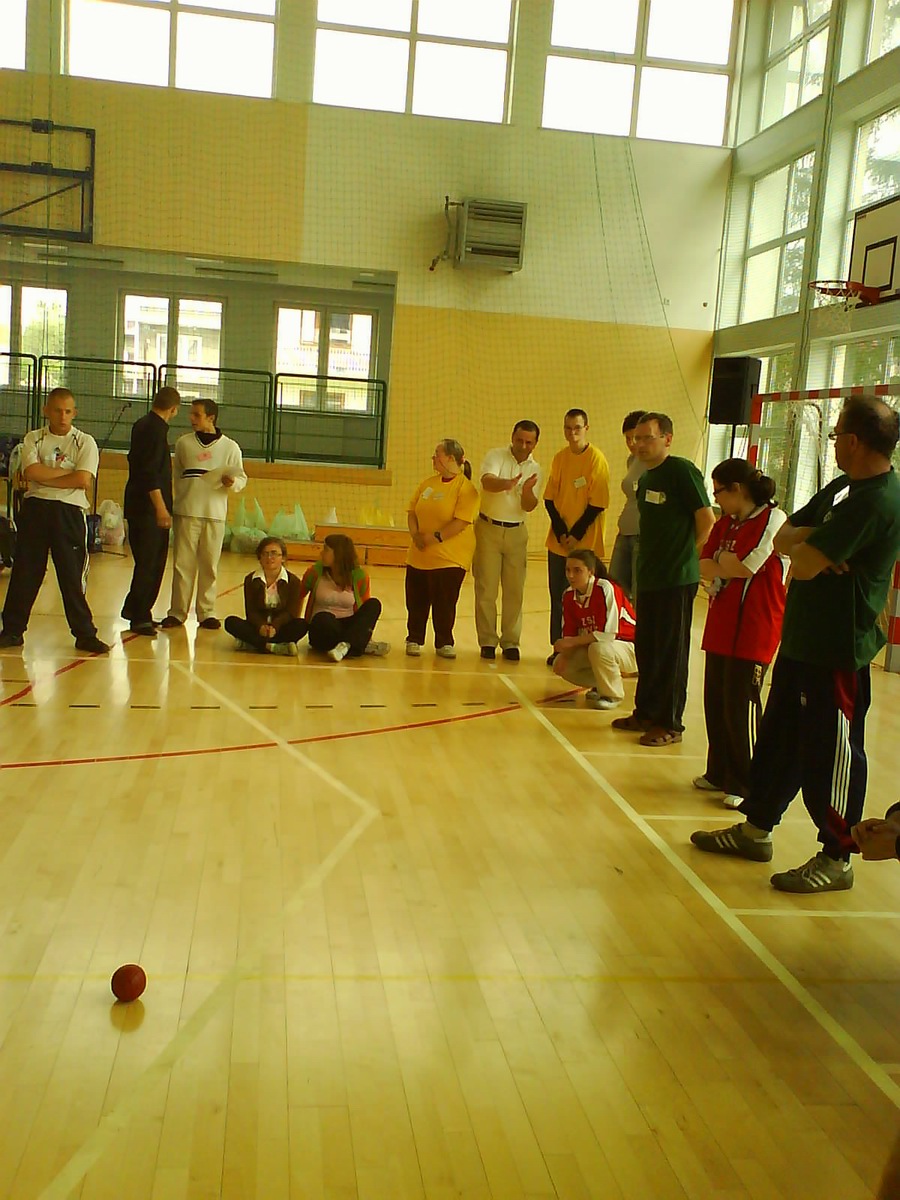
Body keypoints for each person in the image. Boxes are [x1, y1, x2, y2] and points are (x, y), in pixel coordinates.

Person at [691, 395, 900, 894]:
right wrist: (817, 542)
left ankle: (837, 856)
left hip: (838, 649)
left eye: (836, 435)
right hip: (801, 640)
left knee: (833, 754)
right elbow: (785, 540)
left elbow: (800, 564)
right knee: (778, 739)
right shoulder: (843, 488)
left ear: (854, 441)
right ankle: (755, 829)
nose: (833, 443)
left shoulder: (878, 500)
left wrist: (810, 547)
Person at [612, 412, 715, 747]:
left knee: (671, 653)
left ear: (667, 439)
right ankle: (645, 712)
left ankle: (670, 723)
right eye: (637, 438)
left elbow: (706, 520)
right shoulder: (646, 477)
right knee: (648, 648)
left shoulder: (682, 471)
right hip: (650, 578)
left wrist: (687, 555)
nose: (640, 444)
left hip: (675, 579)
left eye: (648, 438)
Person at [694, 459, 787, 809]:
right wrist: (723, 560)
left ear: (737, 489)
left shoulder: (772, 519)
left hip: (754, 628)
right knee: (716, 701)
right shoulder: (726, 522)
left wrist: (722, 561)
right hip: (721, 625)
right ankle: (719, 771)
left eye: (718, 491)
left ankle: (748, 782)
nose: (716, 499)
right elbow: (704, 562)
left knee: (741, 704)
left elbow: (749, 565)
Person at [0, 388, 109, 654]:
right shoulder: (33, 438)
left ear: (74, 413)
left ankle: (85, 634)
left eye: (67, 411)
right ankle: (12, 630)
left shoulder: (85, 442)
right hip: (36, 509)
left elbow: (83, 479)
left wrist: (46, 475)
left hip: (69, 512)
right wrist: (65, 475)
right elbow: (30, 471)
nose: (62, 416)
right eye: (57, 411)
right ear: (46, 411)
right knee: (26, 572)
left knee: (71, 575)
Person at [160, 398, 246, 631]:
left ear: (211, 418)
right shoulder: (183, 443)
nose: (192, 418)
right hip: (186, 511)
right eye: (191, 414)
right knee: (182, 565)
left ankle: (206, 612)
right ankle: (177, 612)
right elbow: (177, 475)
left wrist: (232, 482)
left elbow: (241, 478)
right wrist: (179, 501)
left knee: (209, 565)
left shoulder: (230, 447)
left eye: (197, 415)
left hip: (215, 514)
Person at [543, 409, 610, 664]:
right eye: (568, 428)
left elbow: (597, 504)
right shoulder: (560, 458)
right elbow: (549, 499)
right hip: (559, 543)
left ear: (586, 428)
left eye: (577, 428)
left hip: (585, 543)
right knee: (558, 597)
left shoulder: (596, 459)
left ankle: (584, 649)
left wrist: (575, 535)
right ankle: (558, 647)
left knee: (584, 599)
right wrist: (562, 532)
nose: (572, 433)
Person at [473, 420, 541, 662]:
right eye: (519, 440)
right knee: (486, 589)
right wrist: (507, 484)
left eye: (529, 442)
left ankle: (511, 642)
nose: (523, 445)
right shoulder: (495, 456)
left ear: (535, 444)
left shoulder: (536, 468)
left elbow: (529, 506)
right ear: (512, 437)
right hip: (488, 529)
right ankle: (487, 641)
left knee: (514, 591)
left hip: (516, 533)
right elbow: (487, 482)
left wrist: (527, 491)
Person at [406, 439, 479, 659]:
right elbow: (412, 511)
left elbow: (461, 521)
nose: (433, 458)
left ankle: (444, 641)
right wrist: (415, 535)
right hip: (419, 555)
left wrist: (434, 538)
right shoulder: (427, 484)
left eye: (437, 454)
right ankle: (414, 638)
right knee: (416, 600)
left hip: (449, 557)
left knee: (444, 603)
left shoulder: (466, 488)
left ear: (450, 458)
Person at [121, 386, 181, 635]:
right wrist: (161, 508)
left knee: (148, 562)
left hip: (138, 505)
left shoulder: (143, 424)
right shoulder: (155, 430)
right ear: (174, 409)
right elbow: (149, 473)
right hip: (148, 509)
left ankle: (137, 609)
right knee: (150, 563)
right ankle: (139, 615)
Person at [552, 549, 637, 709]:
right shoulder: (569, 596)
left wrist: (571, 643)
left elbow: (608, 635)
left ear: (590, 572)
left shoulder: (605, 588)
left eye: (577, 570)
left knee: (598, 649)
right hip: (603, 647)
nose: (571, 576)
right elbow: (570, 634)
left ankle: (612, 695)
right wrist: (565, 653)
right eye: (568, 570)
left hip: (633, 648)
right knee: (562, 664)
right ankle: (601, 684)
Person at [300, 533, 388, 661]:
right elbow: (298, 596)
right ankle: (357, 643)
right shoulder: (315, 572)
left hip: (347, 624)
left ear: (338, 554)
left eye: (326, 550)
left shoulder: (359, 576)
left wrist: (362, 630)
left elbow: (363, 611)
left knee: (374, 604)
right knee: (323, 618)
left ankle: (346, 645)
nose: (321, 553)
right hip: (322, 629)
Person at [224, 537, 308, 655]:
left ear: (283, 557)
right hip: (258, 627)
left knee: (301, 625)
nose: (269, 557)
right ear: (260, 557)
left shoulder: (293, 581)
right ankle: (274, 647)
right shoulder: (250, 579)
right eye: (265, 554)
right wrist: (261, 626)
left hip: (280, 627)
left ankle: (253, 644)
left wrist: (275, 626)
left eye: (274, 553)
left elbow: (291, 612)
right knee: (230, 622)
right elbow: (251, 611)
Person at [607, 410, 648, 600]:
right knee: (615, 587)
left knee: (639, 590)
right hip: (624, 532)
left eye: (635, 438)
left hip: (642, 535)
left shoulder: (655, 463)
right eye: (627, 438)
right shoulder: (631, 461)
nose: (631, 443)